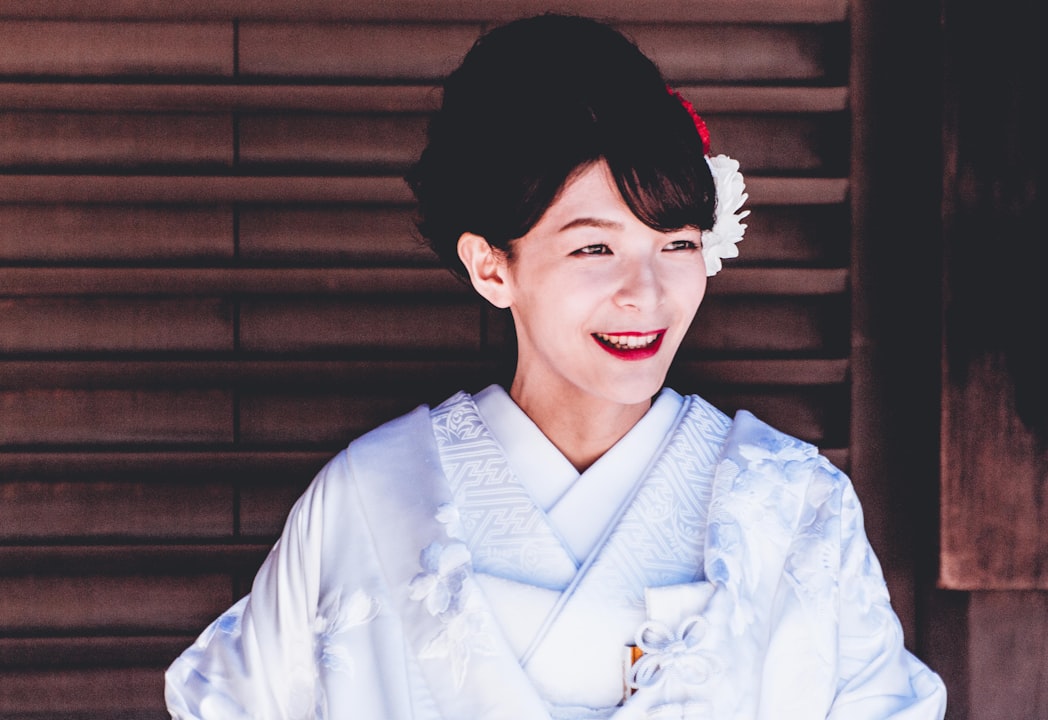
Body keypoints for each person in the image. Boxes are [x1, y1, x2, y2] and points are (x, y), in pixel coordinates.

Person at [165, 14, 946, 720]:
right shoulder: (368, 500)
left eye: (677, 244)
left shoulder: (792, 505)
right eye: (594, 247)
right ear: (491, 268)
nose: (648, 293)